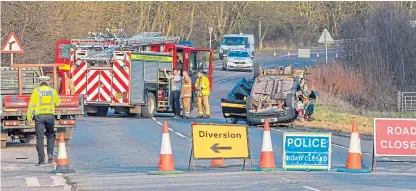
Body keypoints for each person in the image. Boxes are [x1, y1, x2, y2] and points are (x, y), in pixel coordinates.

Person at [27, 76, 61, 165]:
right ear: (48, 82)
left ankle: (41, 160)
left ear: (40, 83)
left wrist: (29, 116)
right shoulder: (52, 91)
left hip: (39, 116)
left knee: (40, 137)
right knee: (50, 135)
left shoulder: (36, 91)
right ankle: (50, 155)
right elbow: (58, 102)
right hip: (50, 116)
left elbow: (32, 104)